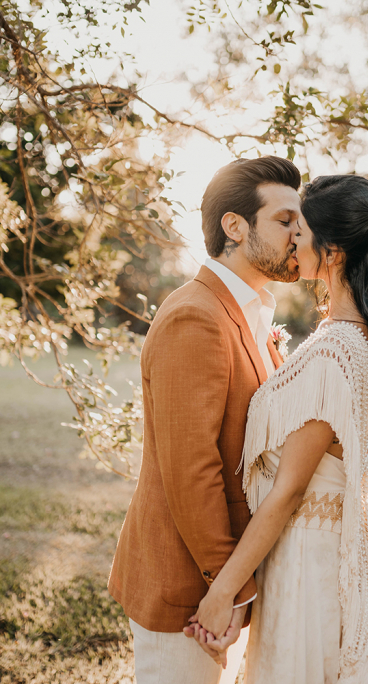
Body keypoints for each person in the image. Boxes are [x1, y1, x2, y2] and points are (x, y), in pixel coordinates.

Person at [189, 175, 368, 683]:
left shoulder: (333, 354)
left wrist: (222, 593)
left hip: (306, 570)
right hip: (306, 558)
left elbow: (287, 492)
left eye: (300, 230)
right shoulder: (351, 340)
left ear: (335, 250)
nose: (292, 241)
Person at [107, 156, 304, 684]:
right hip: (187, 586)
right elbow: (191, 469)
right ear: (235, 227)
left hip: (229, 578)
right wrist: (229, 586)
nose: (298, 235)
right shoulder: (196, 315)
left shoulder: (250, 313)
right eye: (284, 221)